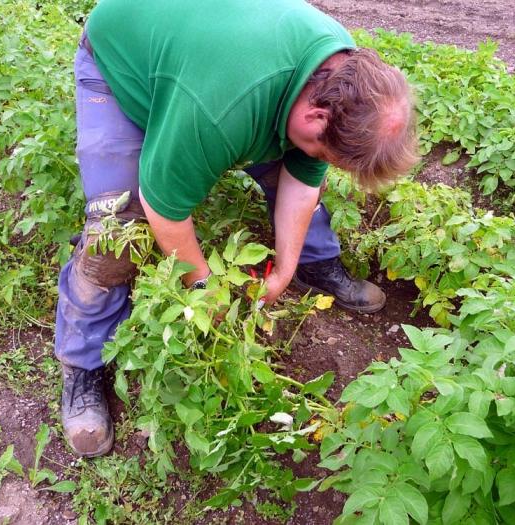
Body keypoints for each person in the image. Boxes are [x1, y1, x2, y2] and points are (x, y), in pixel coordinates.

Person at [56, 0, 418, 457]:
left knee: (294, 170)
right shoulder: (220, 109)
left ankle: (315, 265)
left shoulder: (340, 73)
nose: (322, 161)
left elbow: (303, 181)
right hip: (120, 57)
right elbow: (164, 208)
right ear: (315, 116)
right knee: (119, 227)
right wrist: (205, 289)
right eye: (327, 153)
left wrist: (284, 270)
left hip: (210, 61)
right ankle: (82, 364)